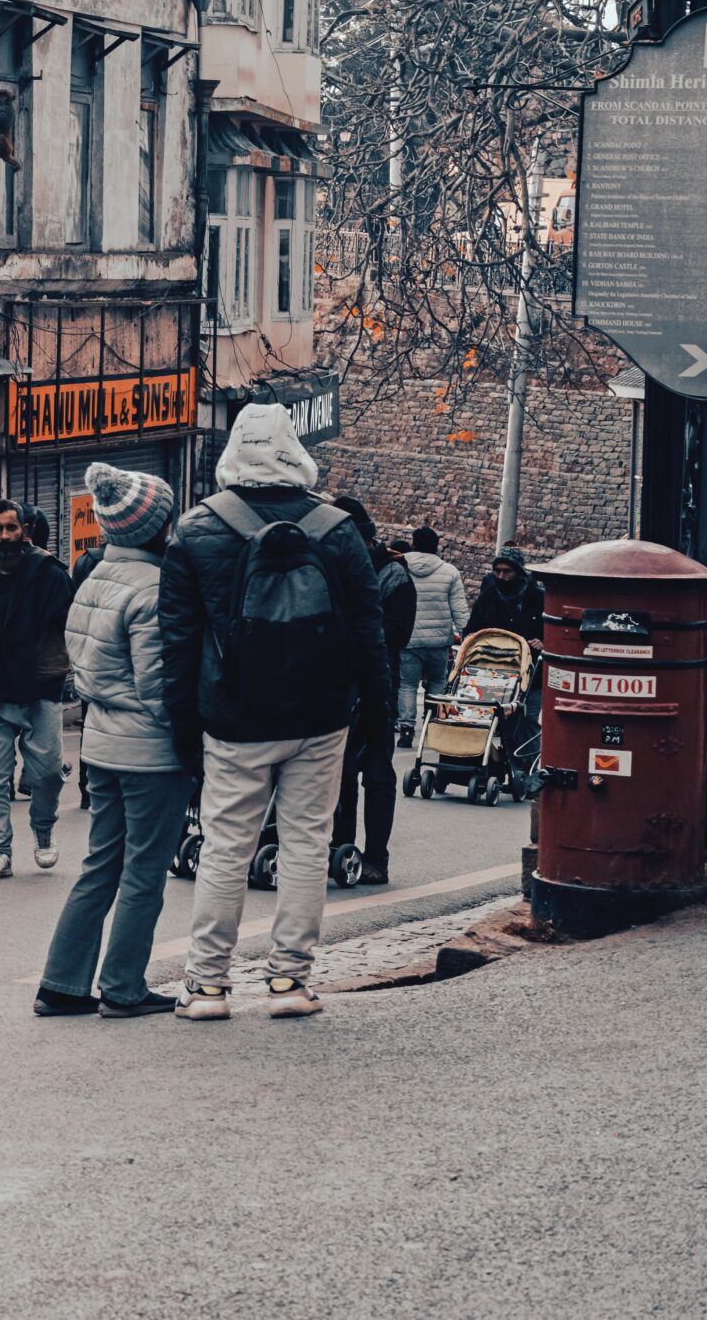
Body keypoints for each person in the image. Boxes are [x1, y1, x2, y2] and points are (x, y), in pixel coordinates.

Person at [160, 405, 391, 1020]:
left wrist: (185, 733)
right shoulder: (339, 531)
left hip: (234, 720)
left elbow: (177, 645)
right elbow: (370, 637)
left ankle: (207, 986)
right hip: (321, 717)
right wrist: (377, 720)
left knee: (226, 846)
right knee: (308, 845)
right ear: (294, 451)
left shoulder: (196, 530)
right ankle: (291, 981)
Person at [36, 463, 186, 1017]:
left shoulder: (91, 578)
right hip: (148, 752)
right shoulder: (153, 588)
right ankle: (123, 986)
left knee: (101, 865)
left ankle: (61, 984)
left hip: (100, 742)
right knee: (144, 872)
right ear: (158, 524)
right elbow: (159, 686)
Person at [0, 500, 73, 878]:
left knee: (46, 773)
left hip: (42, 683)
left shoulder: (50, 575)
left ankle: (43, 831)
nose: (5, 536)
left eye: (12, 528)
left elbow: (67, 627)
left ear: (24, 530)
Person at [331, 496, 415, 886]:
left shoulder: (395, 576)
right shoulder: (338, 568)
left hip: (380, 682)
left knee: (378, 773)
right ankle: (340, 849)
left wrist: (352, 633)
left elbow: (396, 634)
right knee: (341, 773)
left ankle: (376, 858)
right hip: (340, 684)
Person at [398, 524, 471, 736]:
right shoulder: (450, 572)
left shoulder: (401, 567)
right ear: (437, 546)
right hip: (439, 641)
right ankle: (432, 724)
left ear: (414, 544)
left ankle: (406, 729)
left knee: (408, 685)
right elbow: (459, 609)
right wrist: (467, 635)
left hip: (409, 639)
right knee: (437, 681)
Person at [466, 545, 547, 641]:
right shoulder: (487, 597)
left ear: (519, 572)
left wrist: (542, 642)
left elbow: (550, 632)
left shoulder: (537, 597)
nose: (501, 576)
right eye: (497, 571)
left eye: (507, 571)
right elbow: (472, 628)